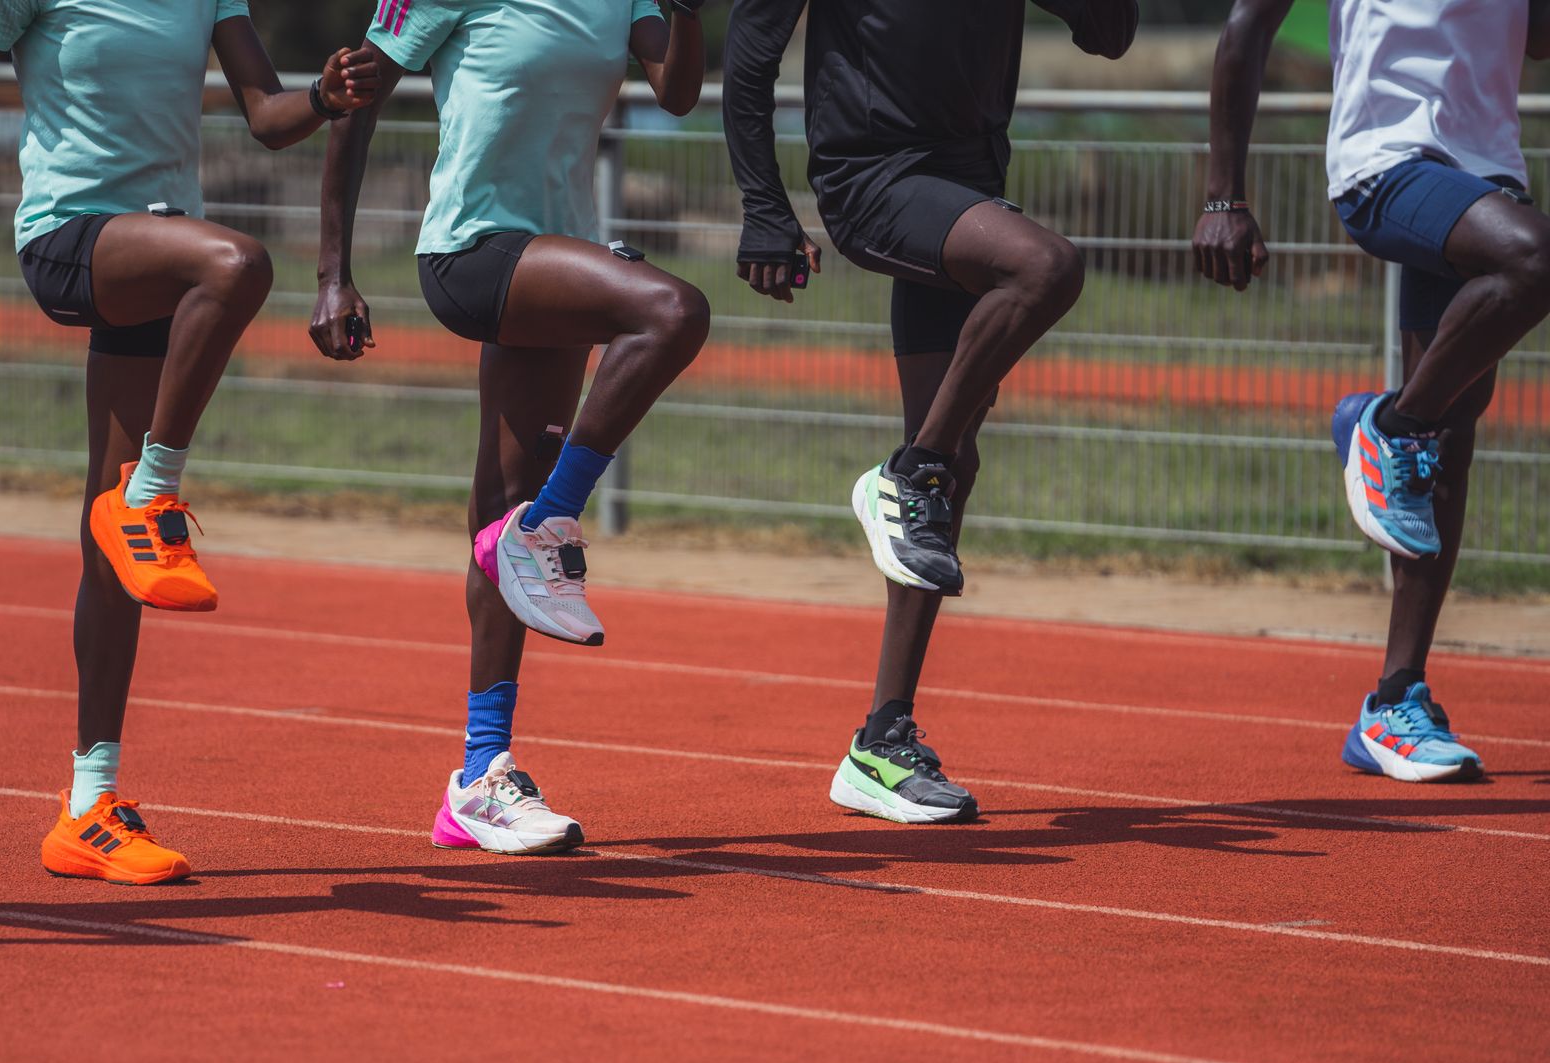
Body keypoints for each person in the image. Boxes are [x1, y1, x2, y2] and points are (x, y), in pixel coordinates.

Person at [0, 1, 376, 882]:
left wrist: (322, 93)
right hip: (69, 238)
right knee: (236, 263)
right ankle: (152, 491)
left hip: (154, 254)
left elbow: (268, 116)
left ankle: (89, 804)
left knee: (109, 546)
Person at [310, 0, 710, 854]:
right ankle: (553, 520)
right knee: (672, 311)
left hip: (552, 253)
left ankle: (479, 778)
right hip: (473, 250)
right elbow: (357, 97)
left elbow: (676, 92)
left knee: (501, 510)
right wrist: (333, 273)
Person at [723, 0, 1137, 824]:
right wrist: (766, 208)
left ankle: (881, 742)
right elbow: (747, 58)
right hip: (873, 179)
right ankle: (906, 475)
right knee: (1045, 268)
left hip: (967, 179)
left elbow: (1110, 34)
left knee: (956, 459)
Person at [1196, 0, 1549, 783]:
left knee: (1450, 436)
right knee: (1534, 262)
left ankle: (1395, 703)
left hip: (1485, 170)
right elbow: (1248, 25)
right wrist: (1225, 195)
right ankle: (1388, 423)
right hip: (1389, 161)